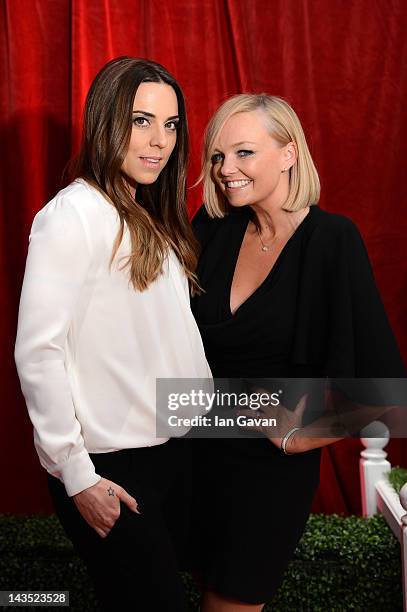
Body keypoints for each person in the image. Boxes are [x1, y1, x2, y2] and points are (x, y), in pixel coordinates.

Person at [188, 94, 405, 612]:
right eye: (217, 157)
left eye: (243, 153)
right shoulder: (212, 228)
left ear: (288, 154)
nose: (226, 170)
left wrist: (302, 438)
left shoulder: (332, 241)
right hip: (191, 455)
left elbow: (384, 392)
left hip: (265, 476)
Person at [15, 56, 211, 612]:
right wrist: (78, 476)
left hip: (169, 453)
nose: (159, 141)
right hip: (111, 465)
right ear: (105, 121)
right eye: (141, 120)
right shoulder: (71, 215)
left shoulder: (147, 212)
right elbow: (38, 353)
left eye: (170, 125)